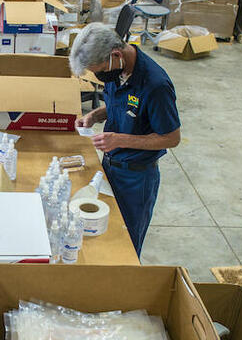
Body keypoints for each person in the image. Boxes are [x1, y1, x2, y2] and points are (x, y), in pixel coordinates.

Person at [70, 22, 181, 257]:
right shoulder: (117, 72)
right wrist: (95, 115)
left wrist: (120, 140)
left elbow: (171, 137)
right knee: (104, 234)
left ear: (116, 55)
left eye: (100, 70)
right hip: (109, 166)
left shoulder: (155, 85)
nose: (100, 76)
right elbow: (120, 106)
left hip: (136, 178)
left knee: (126, 245)